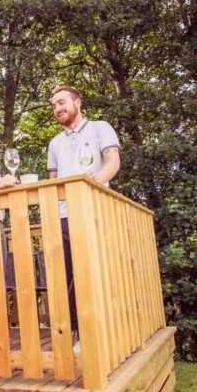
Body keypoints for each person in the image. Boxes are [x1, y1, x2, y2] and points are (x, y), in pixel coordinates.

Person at [46, 85, 121, 336]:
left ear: (77, 103)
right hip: (64, 217)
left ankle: (104, 329)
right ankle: (77, 333)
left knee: (96, 271)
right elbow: (52, 180)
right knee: (67, 276)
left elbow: (113, 161)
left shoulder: (100, 128)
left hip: (95, 210)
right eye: (54, 105)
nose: (57, 108)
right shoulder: (54, 143)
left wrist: (98, 179)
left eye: (61, 102)